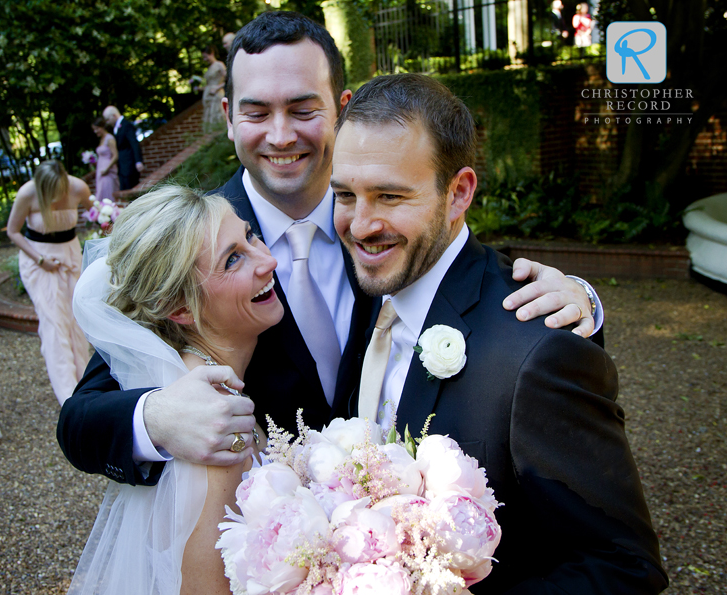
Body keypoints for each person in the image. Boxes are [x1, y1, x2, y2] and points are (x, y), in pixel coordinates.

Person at [58, 11, 604, 487]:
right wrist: (155, 420)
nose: (280, 136)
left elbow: (464, 277)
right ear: (227, 116)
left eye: (302, 109)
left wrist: (577, 303)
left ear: (341, 108)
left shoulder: (380, 213)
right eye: (255, 113)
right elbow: (80, 422)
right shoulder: (189, 243)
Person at [333, 73, 667, 595]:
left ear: (459, 192)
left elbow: (623, 567)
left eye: (390, 195)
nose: (360, 224)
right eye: (345, 195)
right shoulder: (370, 291)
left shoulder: (536, 350)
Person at [65, 185, 277, 595]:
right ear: (179, 308)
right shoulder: (209, 423)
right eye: (233, 258)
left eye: (251, 236)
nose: (269, 260)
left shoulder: (204, 375)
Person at [6, 161, 92, 405]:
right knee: (54, 323)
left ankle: (85, 382)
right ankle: (68, 396)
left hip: (71, 255)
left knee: (77, 320)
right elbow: (13, 232)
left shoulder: (78, 188)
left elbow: (96, 212)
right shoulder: (27, 193)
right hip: (39, 259)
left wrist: (108, 221)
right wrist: (40, 259)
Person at [101, 106, 144, 190]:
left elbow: (134, 143)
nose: (107, 122)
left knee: (130, 189)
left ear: (113, 115)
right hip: (122, 166)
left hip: (129, 165)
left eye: (107, 119)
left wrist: (138, 161)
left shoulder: (126, 125)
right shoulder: (116, 128)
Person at [91, 117, 119, 201]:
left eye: (97, 129)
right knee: (100, 192)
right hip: (100, 170)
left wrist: (107, 169)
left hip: (107, 171)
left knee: (106, 194)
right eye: (94, 130)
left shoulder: (109, 139)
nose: (95, 131)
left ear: (102, 127)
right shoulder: (101, 139)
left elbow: (115, 155)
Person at [201, 45, 227, 132]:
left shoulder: (219, 65)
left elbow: (228, 79)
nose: (205, 59)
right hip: (209, 96)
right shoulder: (209, 67)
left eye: (205, 57)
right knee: (210, 118)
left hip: (216, 94)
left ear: (211, 53)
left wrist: (216, 88)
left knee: (217, 116)